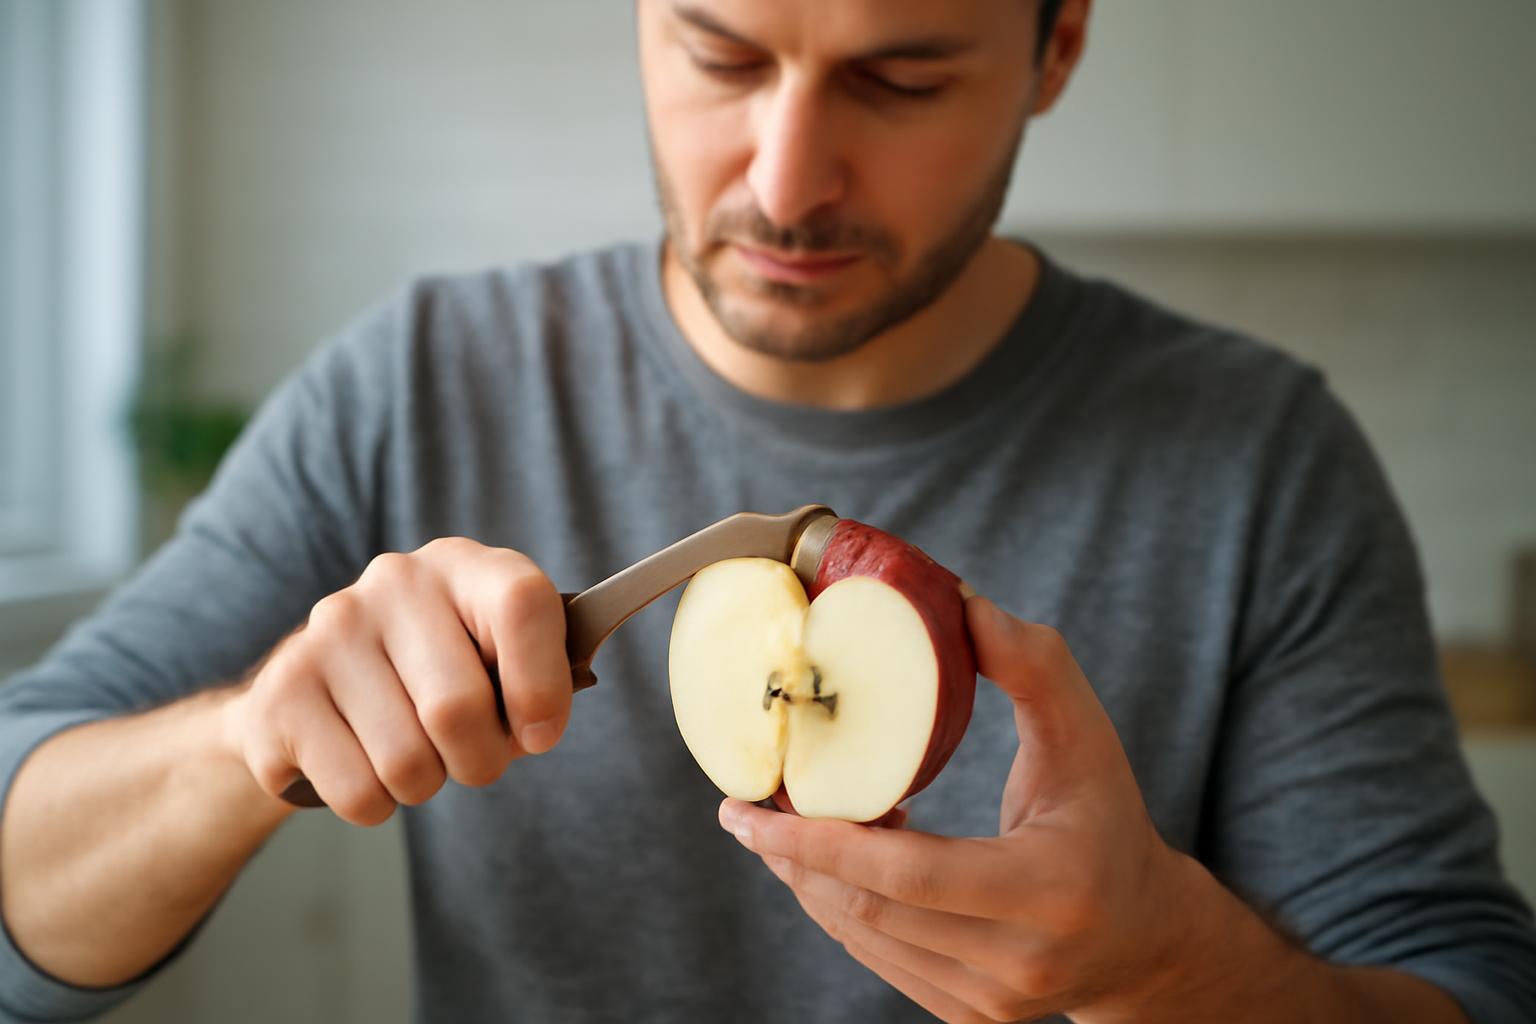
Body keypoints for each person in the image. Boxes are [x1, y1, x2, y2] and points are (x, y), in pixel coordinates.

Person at [2, 1, 1533, 1020]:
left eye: (902, 79)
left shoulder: (1259, 458)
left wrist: (1173, 971)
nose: (789, 184)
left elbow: (1466, 983)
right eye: (722, 56)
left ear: (1057, 46)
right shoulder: (416, 382)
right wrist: (242, 740)